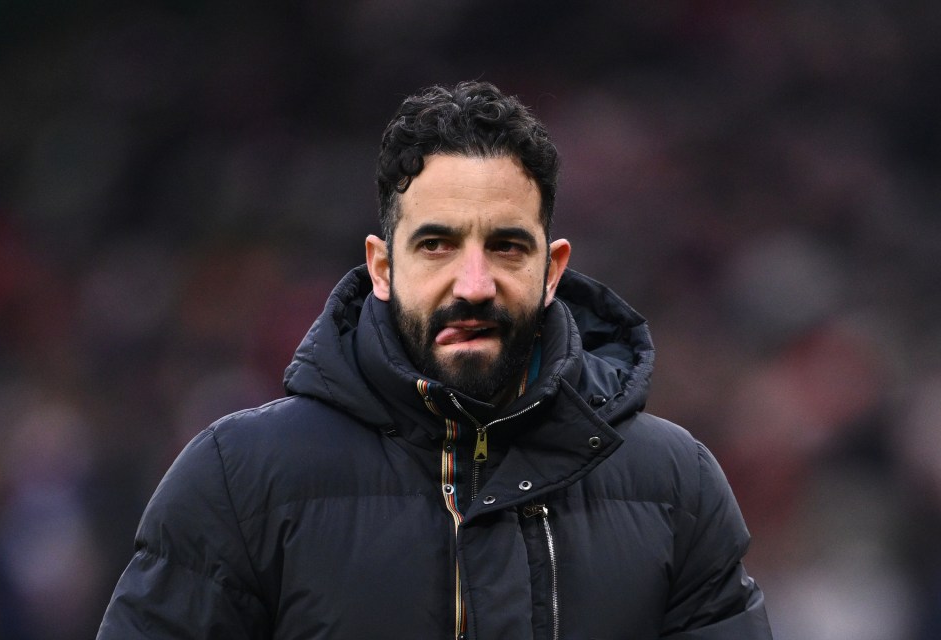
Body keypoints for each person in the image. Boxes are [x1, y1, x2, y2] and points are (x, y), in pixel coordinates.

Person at [97, 81, 773, 639]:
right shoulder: (237, 482)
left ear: (553, 268)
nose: (473, 284)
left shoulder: (675, 485)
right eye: (437, 245)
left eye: (507, 245)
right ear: (383, 266)